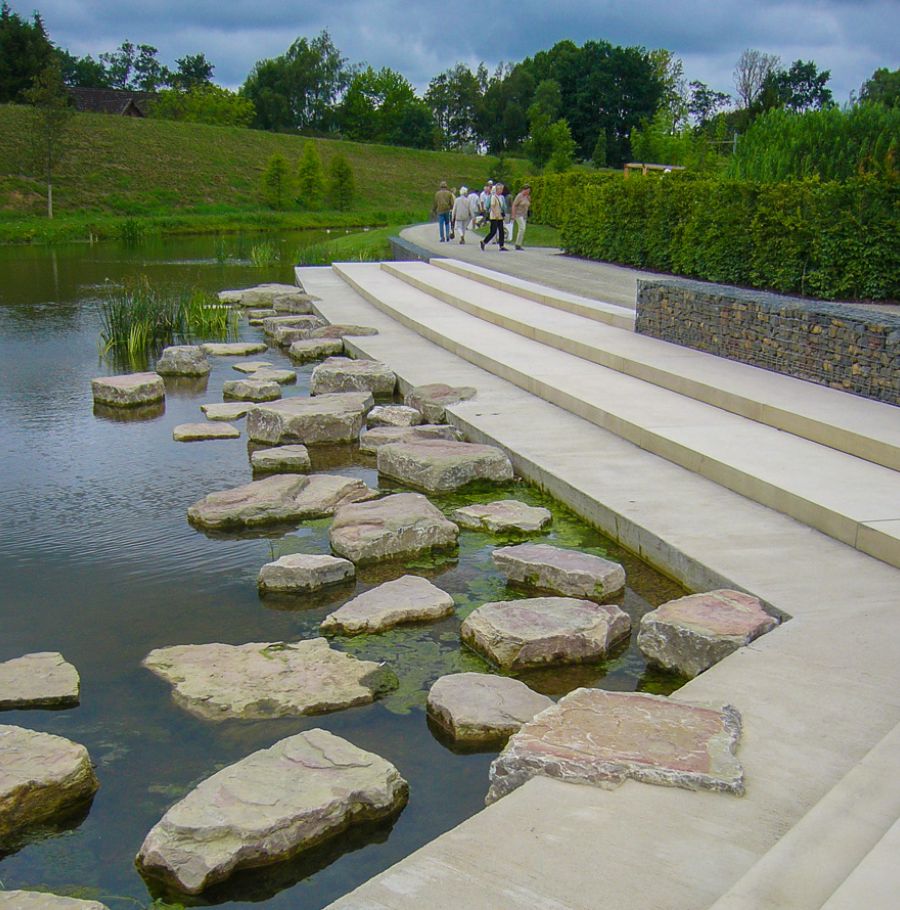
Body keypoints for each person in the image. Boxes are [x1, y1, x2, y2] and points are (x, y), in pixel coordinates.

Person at [480, 183, 508, 251]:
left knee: (501, 231)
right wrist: (496, 214)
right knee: (493, 231)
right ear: (496, 190)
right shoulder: (493, 197)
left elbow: (503, 206)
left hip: (500, 216)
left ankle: (501, 245)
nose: (501, 190)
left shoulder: (501, 197)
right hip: (494, 217)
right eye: (499, 189)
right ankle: (484, 242)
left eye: (501, 189)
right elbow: (492, 206)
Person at [511, 183, 531, 250]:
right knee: (522, 228)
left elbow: (528, 205)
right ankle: (517, 244)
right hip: (518, 214)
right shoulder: (519, 196)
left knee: (523, 229)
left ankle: (519, 243)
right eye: (527, 190)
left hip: (524, 215)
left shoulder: (527, 197)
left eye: (529, 191)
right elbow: (514, 205)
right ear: (524, 190)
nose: (528, 192)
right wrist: (513, 215)